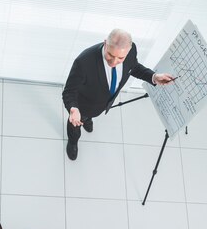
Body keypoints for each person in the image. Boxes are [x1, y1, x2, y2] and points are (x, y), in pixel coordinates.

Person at [63, 28, 175, 160]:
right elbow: (69, 91)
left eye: (120, 58)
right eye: (110, 55)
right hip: (83, 106)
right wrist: (73, 109)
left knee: (90, 116)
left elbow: (133, 67)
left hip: (100, 104)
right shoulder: (84, 62)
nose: (114, 62)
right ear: (105, 43)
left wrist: (154, 77)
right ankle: (73, 141)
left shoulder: (131, 50)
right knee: (76, 125)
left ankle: (89, 119)